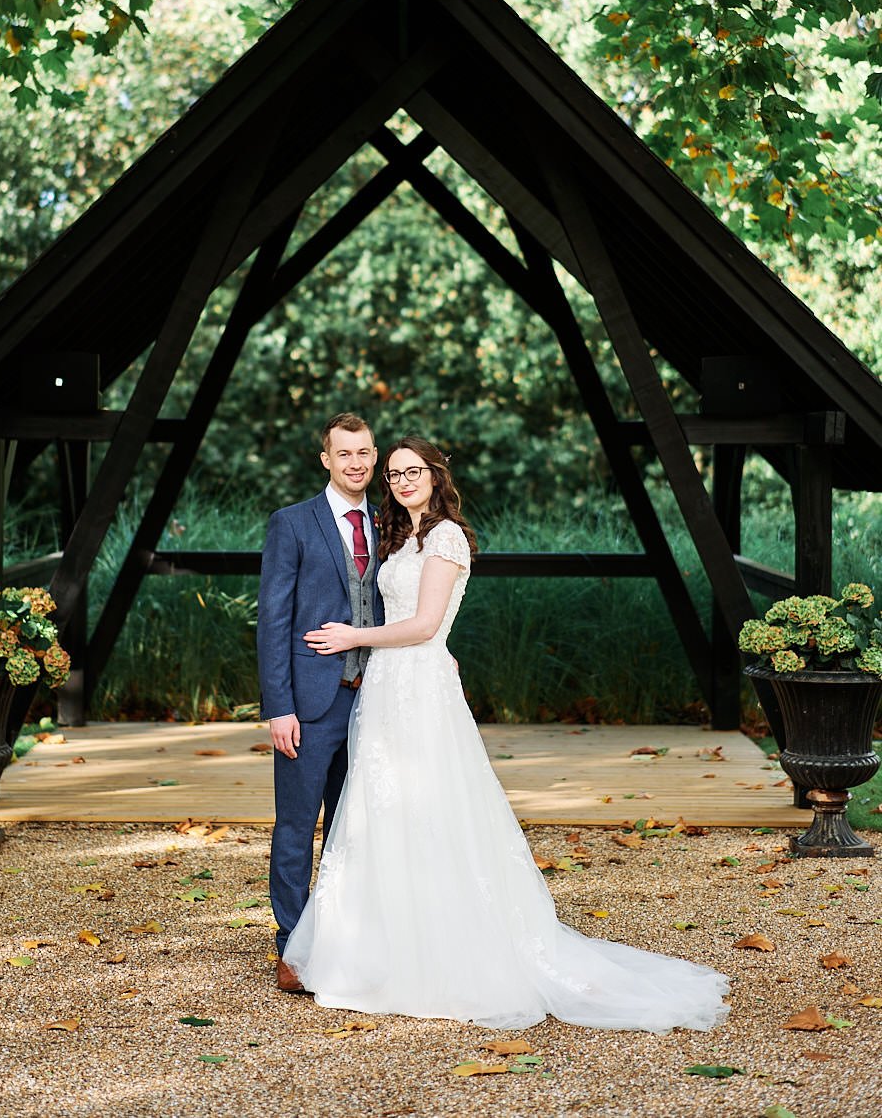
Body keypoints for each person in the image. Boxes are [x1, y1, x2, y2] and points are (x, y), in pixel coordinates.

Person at [283, 435, 731, 1032]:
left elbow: (424, 625)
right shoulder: (400, 537)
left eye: (413, 471)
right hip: (389, 688)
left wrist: (352, 637)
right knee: (383, 810)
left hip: (418, 688)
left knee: (430, 808)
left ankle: (446, 953)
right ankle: (379, 946)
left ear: (436, 475)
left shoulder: (445, 537)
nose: (402, 481)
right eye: (393, 474)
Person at [257, 412, 385, 993]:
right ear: (326, 459)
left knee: (353, 826)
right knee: (295, 827)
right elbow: (273, 620)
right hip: (309, 705)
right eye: (344, 453)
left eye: (364, 452)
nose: (355, 463)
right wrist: (278, 706)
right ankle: (293, 947)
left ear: (374, 456)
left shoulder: (389, 524)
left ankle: (342, 938)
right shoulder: (292, 523)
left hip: (374, 701)